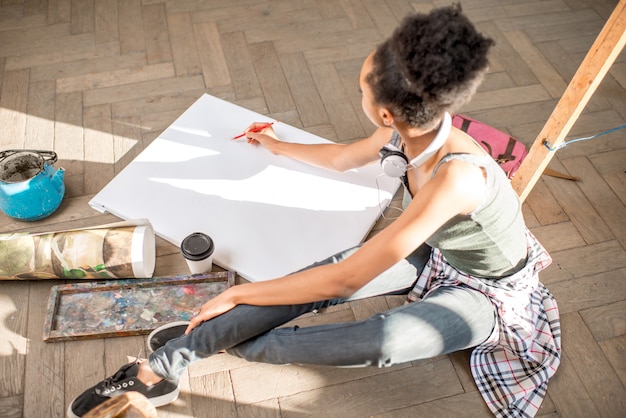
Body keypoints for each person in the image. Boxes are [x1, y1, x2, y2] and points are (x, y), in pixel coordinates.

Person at [68, 5, 561, 418]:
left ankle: (212, 341)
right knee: (305, 283)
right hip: (432, 255)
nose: (361, 94)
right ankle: (161, 369)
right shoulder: (411, 128)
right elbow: (344, 158)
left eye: (363, 89)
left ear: (386, 111)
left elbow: (344, 283)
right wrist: (276, 145)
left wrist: (243, 295)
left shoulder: (458, 175)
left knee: (379, 339)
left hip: (493, 294)